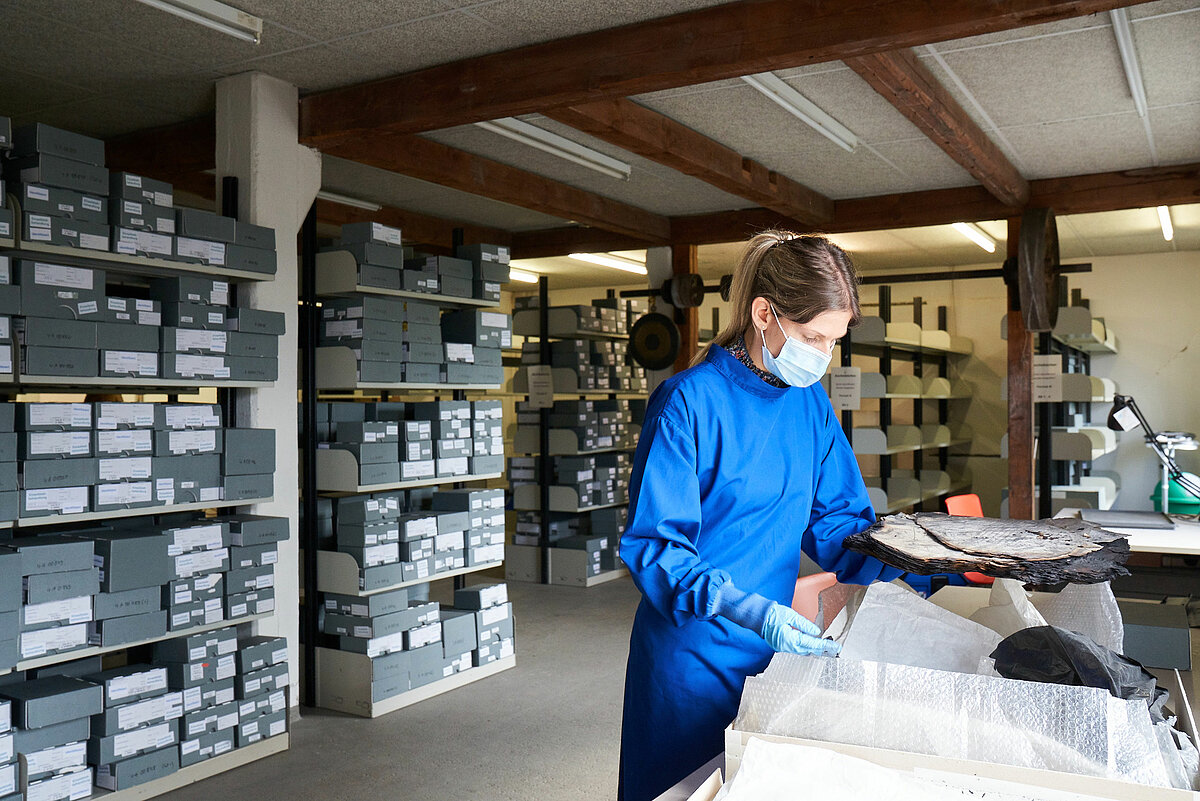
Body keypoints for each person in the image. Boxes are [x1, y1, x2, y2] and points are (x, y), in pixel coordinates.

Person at [618, 231, 911, 801]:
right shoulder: (688, 402)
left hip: (774, 655)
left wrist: (926, 568)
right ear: (763, 314)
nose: (822, 357)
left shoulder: (809, 405)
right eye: (811, 337)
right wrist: (746, 609)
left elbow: (842, 529)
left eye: (833, 341)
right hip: (692, 655)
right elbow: (657, 550)